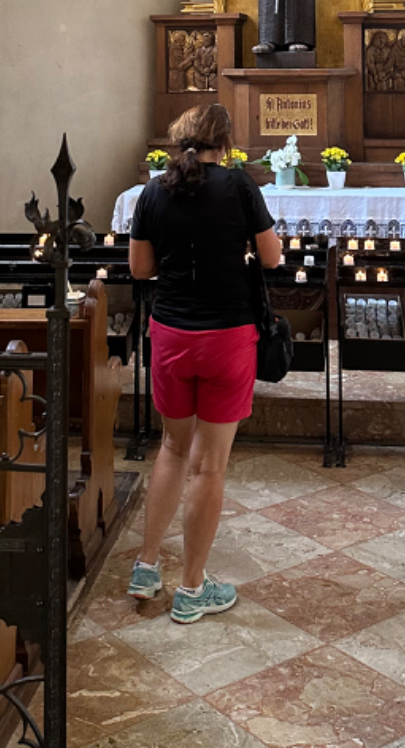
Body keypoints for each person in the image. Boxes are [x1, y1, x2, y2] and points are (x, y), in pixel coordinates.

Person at [126, 102, 282, 623]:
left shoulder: (154, 191)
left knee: (171, 448)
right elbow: (271, 257)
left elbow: (140, 268)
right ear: (226, 143)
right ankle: (192, 588)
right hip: (227, 335)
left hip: (171, 332)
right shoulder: (238, 185)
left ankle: (146, 565)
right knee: (208, 465)